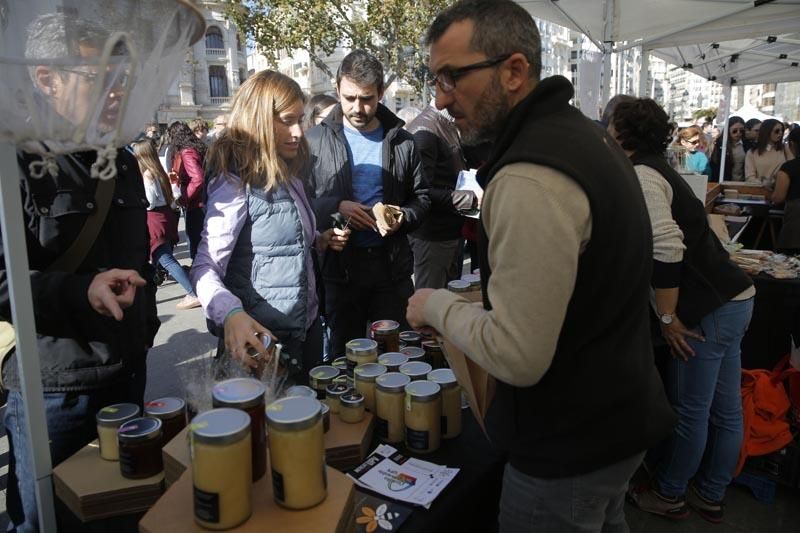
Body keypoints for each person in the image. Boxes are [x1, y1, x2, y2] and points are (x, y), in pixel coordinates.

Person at [406, 2, 675, 531]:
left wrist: (434, 304)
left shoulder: (530, 174)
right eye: (435, 79)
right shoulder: (584, 136)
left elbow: (518, 354)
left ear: (513, 71)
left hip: (569, 444)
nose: (440, 98)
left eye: (452, 77)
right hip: (615, 420)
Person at [0, 13, 159, 531]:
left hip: (127, 375)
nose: (117, 94)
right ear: (47, 78)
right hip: (56, 392)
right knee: (50, 520)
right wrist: (78, 290)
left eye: (124, 81)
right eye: (101, 79)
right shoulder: (15, 162)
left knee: (124, 513)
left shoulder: (124, 161)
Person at [608, 98, 754, 523]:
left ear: (621, 133)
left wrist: (668, 317)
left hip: (707, 306)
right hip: (735, 298)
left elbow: (667, 244)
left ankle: (670, 493)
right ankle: (709, 492)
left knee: (692, 410)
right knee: (724, 408)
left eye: (609, 126)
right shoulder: (657, 168)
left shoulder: (643, 175)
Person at [191, 70, 349, 380]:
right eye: (287, 120)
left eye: (300, 120)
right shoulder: (234, 182)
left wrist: (318, 239)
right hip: (262, 345)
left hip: (305, 331)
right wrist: (232, 314)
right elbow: (205, 267)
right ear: (259, 120)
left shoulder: (290, 172)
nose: (298, 132)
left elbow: (278, 243)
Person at [306, 49, 429, 358]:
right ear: (337, 90)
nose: (357, 108)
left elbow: (422, 198)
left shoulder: (403, 141)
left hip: (391, 269)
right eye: (349, 98)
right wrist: (337, 207)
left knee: (397, 356)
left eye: (367, 98)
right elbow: (303, 202)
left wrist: (402, 215)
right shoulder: (314, 140)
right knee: (343, 359)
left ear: (381, 94)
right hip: (340, 271)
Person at [406, 102, 476, 288]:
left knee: (447, 298)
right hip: (434, 236)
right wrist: (471, 198)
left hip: (449, 231)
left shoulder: (442, 124)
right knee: (430, 302)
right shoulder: (425, 132)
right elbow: (421, 191)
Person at [131, 139, 200, 309]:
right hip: (165, 216)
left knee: (165, 258)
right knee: (156, 258)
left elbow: (150, 202)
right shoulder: (158, 171)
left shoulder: (147, 174)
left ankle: (193, 293)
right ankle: (144, 291)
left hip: (154, 218)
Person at [167, 120, 207, 261]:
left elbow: (198, 179)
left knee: (197, 244)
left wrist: (184, 197)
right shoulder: (196, 147)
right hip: (201, 202)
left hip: (196, 204)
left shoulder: (187, 151)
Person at [771, 127, 800, 253]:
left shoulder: (789, 167)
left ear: (792, 144)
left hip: (796, 226)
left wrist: (769, 193)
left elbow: (778, 198)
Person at [745, 118, 792, 190]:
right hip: (759, 192)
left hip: (781, 191)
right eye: (777, 131)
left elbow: (792, 168)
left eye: (782, 130)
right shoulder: (752, 152)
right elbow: (750, 177)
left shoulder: (785, 149)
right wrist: (765, 184)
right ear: (767, 131)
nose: (780, 133)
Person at [708, 116, 746, 182]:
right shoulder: (720, 145)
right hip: (725, 182)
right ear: (728, 130)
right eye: (734, 131)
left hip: (741, 182)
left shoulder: (746, 144)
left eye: (741, 130)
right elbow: (715, 167)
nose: (738, 133)